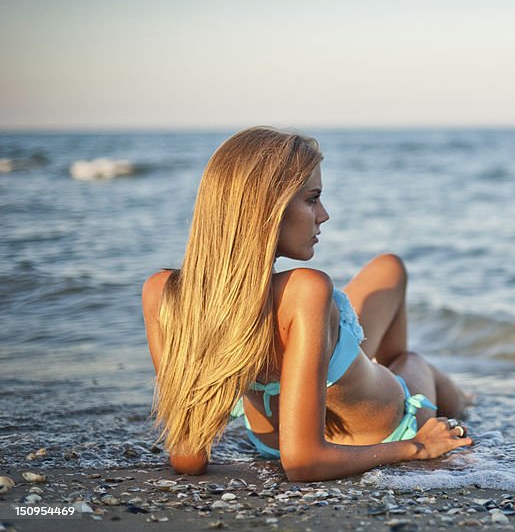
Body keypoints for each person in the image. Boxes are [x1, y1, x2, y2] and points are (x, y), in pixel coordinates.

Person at [142, 126, 472, 481]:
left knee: (388, 268)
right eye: (312, 199)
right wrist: (418, 447)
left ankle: (370, 363)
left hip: (273, 441)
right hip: (390, 428)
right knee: (411, 361)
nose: (324, 215)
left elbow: (187, 458)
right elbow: (303, 464)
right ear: (268, 209)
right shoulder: (305, 290)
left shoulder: (163, 293)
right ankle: (466, 400)